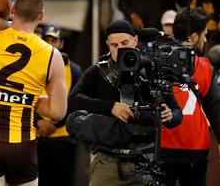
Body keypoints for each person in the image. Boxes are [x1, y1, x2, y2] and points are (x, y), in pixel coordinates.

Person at [0, 0, 67, 186]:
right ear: (41, 16)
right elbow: (57, 112)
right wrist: (27, 98)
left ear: (12, 9)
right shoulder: (52, 55)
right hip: (20, 144)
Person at [68, 20, 183, 185]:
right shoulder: (97, 71)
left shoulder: (152, 69)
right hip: (107, 162)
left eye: (125, 43)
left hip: (146, 162)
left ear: (135, 40)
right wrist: (111, 107)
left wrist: (170, 115)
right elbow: (73, 100)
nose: (120, 48)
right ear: (107, 45)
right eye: (114, 45)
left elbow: (178, 113)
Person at [161, 8, 220, 186]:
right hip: (195, 149)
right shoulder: (204, 67)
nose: (205, 39)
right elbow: (215, 105)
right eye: (204, 34)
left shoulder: (157, 63)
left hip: (162, 148)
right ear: (193, 37)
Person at [36, 24, 82, 186]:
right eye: (46, 40)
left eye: (54, 40)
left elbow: (75, 103)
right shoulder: (32, 65)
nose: (50, 44)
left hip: (63, 137)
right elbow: (25, 97)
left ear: (61, 43)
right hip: (36, 136)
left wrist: (53, 124)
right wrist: (38, 122)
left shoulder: (75, 70)